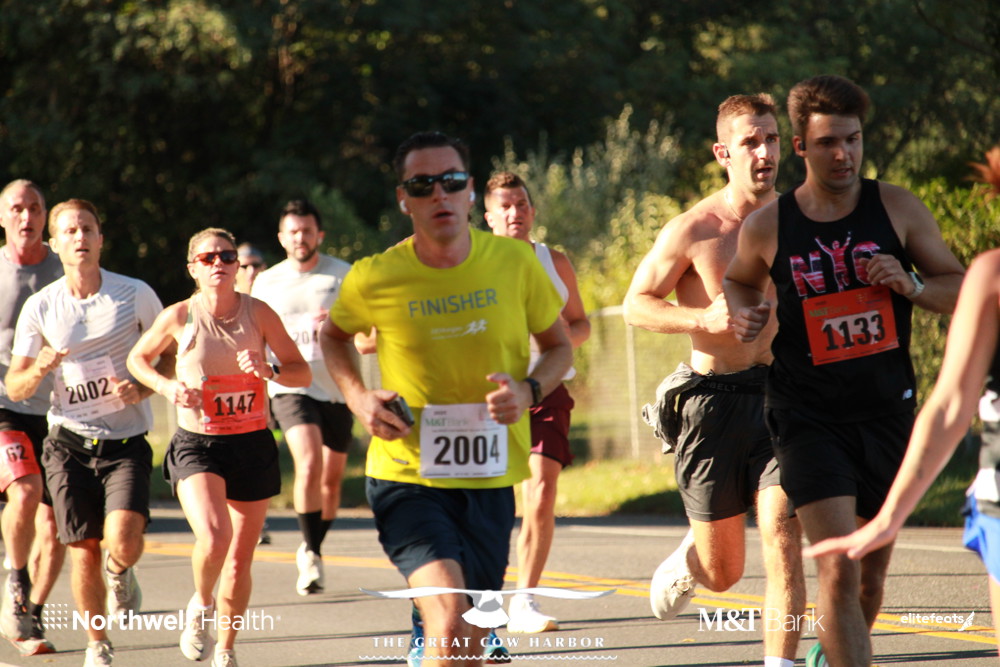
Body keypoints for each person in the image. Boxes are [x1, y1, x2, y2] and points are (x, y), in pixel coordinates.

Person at [722, 75, 965, 666]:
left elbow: (960, 287)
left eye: (852, 140)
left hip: (885, 410)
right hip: (807, 414)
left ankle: (828, 654)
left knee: (868, 582)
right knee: (836, 566)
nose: (843, 154)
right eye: (828, 142)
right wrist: (745, 312)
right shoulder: (770, 224)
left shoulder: (897, 207)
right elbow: (738, 279)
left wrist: (910, 284)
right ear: (800, 147)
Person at [319, 131, 572, 667]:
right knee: (451, 618)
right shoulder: (376, 275)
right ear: (403, 198)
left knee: (470, 639)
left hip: (489, 477)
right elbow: (334, 337)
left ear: (470, 190)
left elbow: (559, 346)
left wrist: (528, 390)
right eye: (422, 184)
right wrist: (359, 398)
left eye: (452, 181)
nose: (439, 193)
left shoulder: (515, 263)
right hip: (407, 475)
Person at [623, 94, 805, 666]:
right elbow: (635, 304)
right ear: (723, 152)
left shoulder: (804, 220)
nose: (765, 152)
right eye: (751, 142)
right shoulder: (695, 229)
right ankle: (693, 560)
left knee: (782, 532)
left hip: (783, 396)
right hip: (713, 403)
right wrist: (702, 319)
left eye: (772, 139)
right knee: (724, 573)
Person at [126, 228, 310, 667]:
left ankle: (226, 649)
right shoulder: (179, 315)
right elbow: (137, 359)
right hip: (199, 443)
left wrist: (269, 369)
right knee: (214, 537)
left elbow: (301, 372)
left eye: (226, 256)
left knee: (239, 561)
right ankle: (201, 604)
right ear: (192, 268)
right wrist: (167, 387)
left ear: (237, 265)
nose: (218, 264)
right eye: (207, 258)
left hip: (251, 443)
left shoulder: (259, 313)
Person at [6, 199, 167, 667]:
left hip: (126, 442)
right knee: (82, 549)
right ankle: (98, 645)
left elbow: (172, 353)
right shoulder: (41, 306)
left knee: (124, 540)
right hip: (68, 443)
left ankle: (121, 571)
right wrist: (40, 367)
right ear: (54, 244)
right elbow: (15, 385)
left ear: (101, 238)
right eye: (70, 231)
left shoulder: (134, 294)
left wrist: (141, 387)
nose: (80, 237)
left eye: (88, 229)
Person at [482, 172, 590, 633]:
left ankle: (524, 600)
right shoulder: (474, 262)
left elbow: (581, 323)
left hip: (546, 388)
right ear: (488, 217)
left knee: (541, 491)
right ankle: (483, 592)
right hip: (489, 394)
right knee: (491, 502)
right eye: (505, 206)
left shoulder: (554, 261)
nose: (515, 213)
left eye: (522, 204)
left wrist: (561, 340)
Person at [251, 199, 353, 595]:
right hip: (290, 385)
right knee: (308, 462)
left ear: (319, 235)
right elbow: (256, 340)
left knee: (332, 482)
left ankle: (314, 546)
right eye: (292, 231)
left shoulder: (342, 275)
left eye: (307, 231)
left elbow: (367, 332)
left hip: (337, 388)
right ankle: (310, 552)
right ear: (281, 237)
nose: (300, 238)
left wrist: (340, 325)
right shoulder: (267, 283)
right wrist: (259, 396)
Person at [0, 179, 66, 656]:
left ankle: (32, 613)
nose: (27, 217)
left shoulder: (68, 269)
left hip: (63, 410)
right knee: (25, 491)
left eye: (35, 208)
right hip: (5, 404)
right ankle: (15, 579)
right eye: (17, 208)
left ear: (46, 216)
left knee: (57, 525)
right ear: (2, 216)